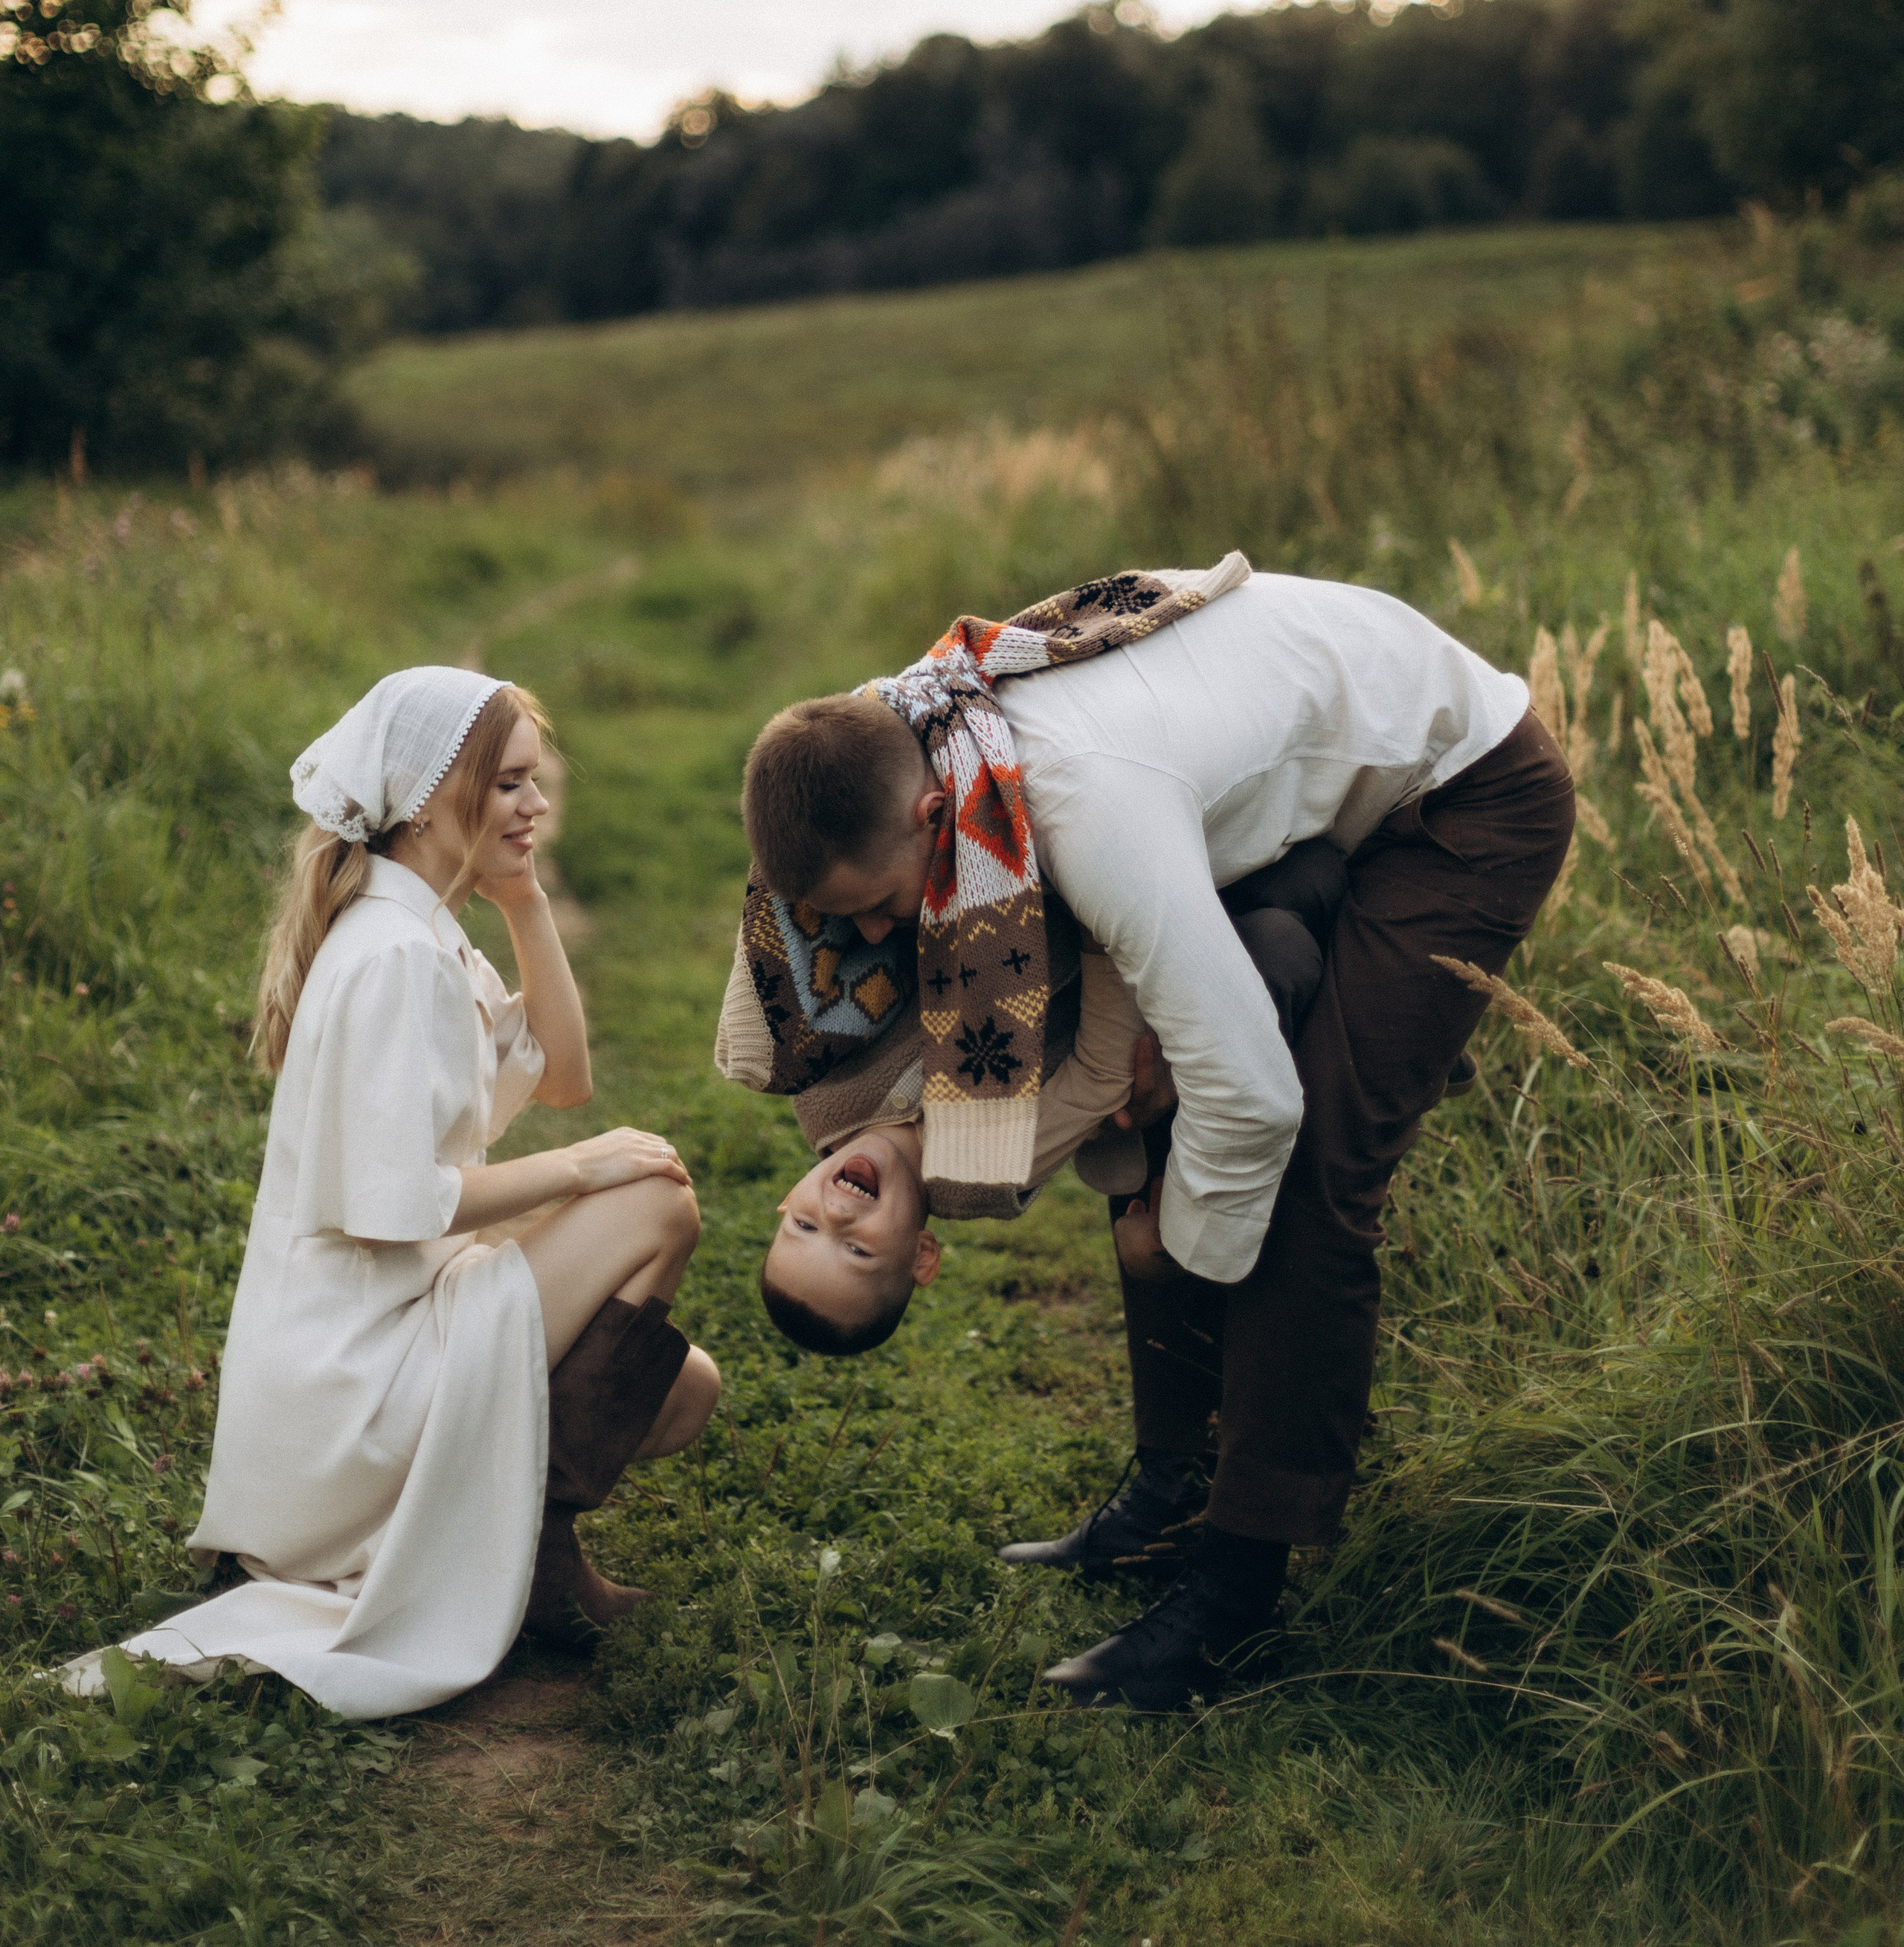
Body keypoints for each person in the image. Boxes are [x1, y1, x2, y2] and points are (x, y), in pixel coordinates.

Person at [727, 558, 1572, 1708]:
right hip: (1304, 803)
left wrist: (1199, 1240)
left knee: (1307, 1174)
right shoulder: (921, 728)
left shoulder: (1081, 810)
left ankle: (1235, 1601)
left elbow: (1255, 1104)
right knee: (1162, 1157)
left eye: (878, 901)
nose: (883, 930)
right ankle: (1173, 1498)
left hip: (1457, 796)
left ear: (933, 814)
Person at [65, 666, 718, 1720]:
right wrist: (582, 1169)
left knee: (683, 1389)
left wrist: (525, 899)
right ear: (426, 801)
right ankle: (533, 1563)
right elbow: (391, 1204)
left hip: (390, 1333)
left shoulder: (420, 932)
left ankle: (527, 1543)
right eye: (508, 785)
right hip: (350, 1384)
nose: (535, 805)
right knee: (654, 1203)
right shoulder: (390, 957)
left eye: (534, 783)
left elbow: (563, 1075)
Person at [716, 846, 1341, 1353]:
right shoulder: (981, 1175)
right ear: (923, 1256)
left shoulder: (819, 1090)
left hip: (1003, 882)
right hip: (1121, 953)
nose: (837, 1215)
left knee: (1268, 864)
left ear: (785, 1200)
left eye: (805, 1224)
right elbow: (1100, 1075)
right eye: (856, 1249)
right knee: (1295, 913)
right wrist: (1102, 930)